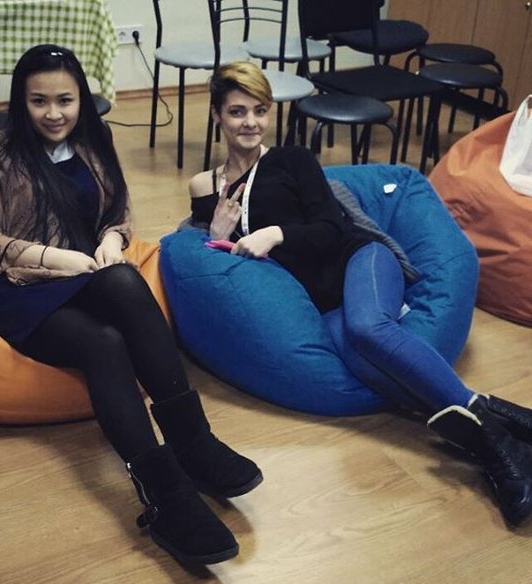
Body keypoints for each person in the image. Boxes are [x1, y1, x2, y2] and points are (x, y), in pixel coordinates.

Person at [188, 61, 532, 527]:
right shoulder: (205, 186)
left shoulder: (291, 160)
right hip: (322, 298)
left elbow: (331, 227)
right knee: (362, 363)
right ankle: (502, 420)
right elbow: (205, 252)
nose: (250, 122)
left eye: (259, 110)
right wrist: (216, 230)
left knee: (369, 328)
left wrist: (275, 233)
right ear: (216, 115)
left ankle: (497, 451)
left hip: (360, 259)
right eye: (237, 112)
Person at [0, 45, 263, 566]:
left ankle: (192, 443)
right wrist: (55, 257)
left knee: (122, 279)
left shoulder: (94, 140)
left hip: (85, 276)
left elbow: (118, 213)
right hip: (19, 288)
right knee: (103, 342)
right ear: (20, 101)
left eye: (65, 100)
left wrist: (110, 241)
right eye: (38, 101)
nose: (53, 113)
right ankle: (165, 496)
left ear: (81, 99)